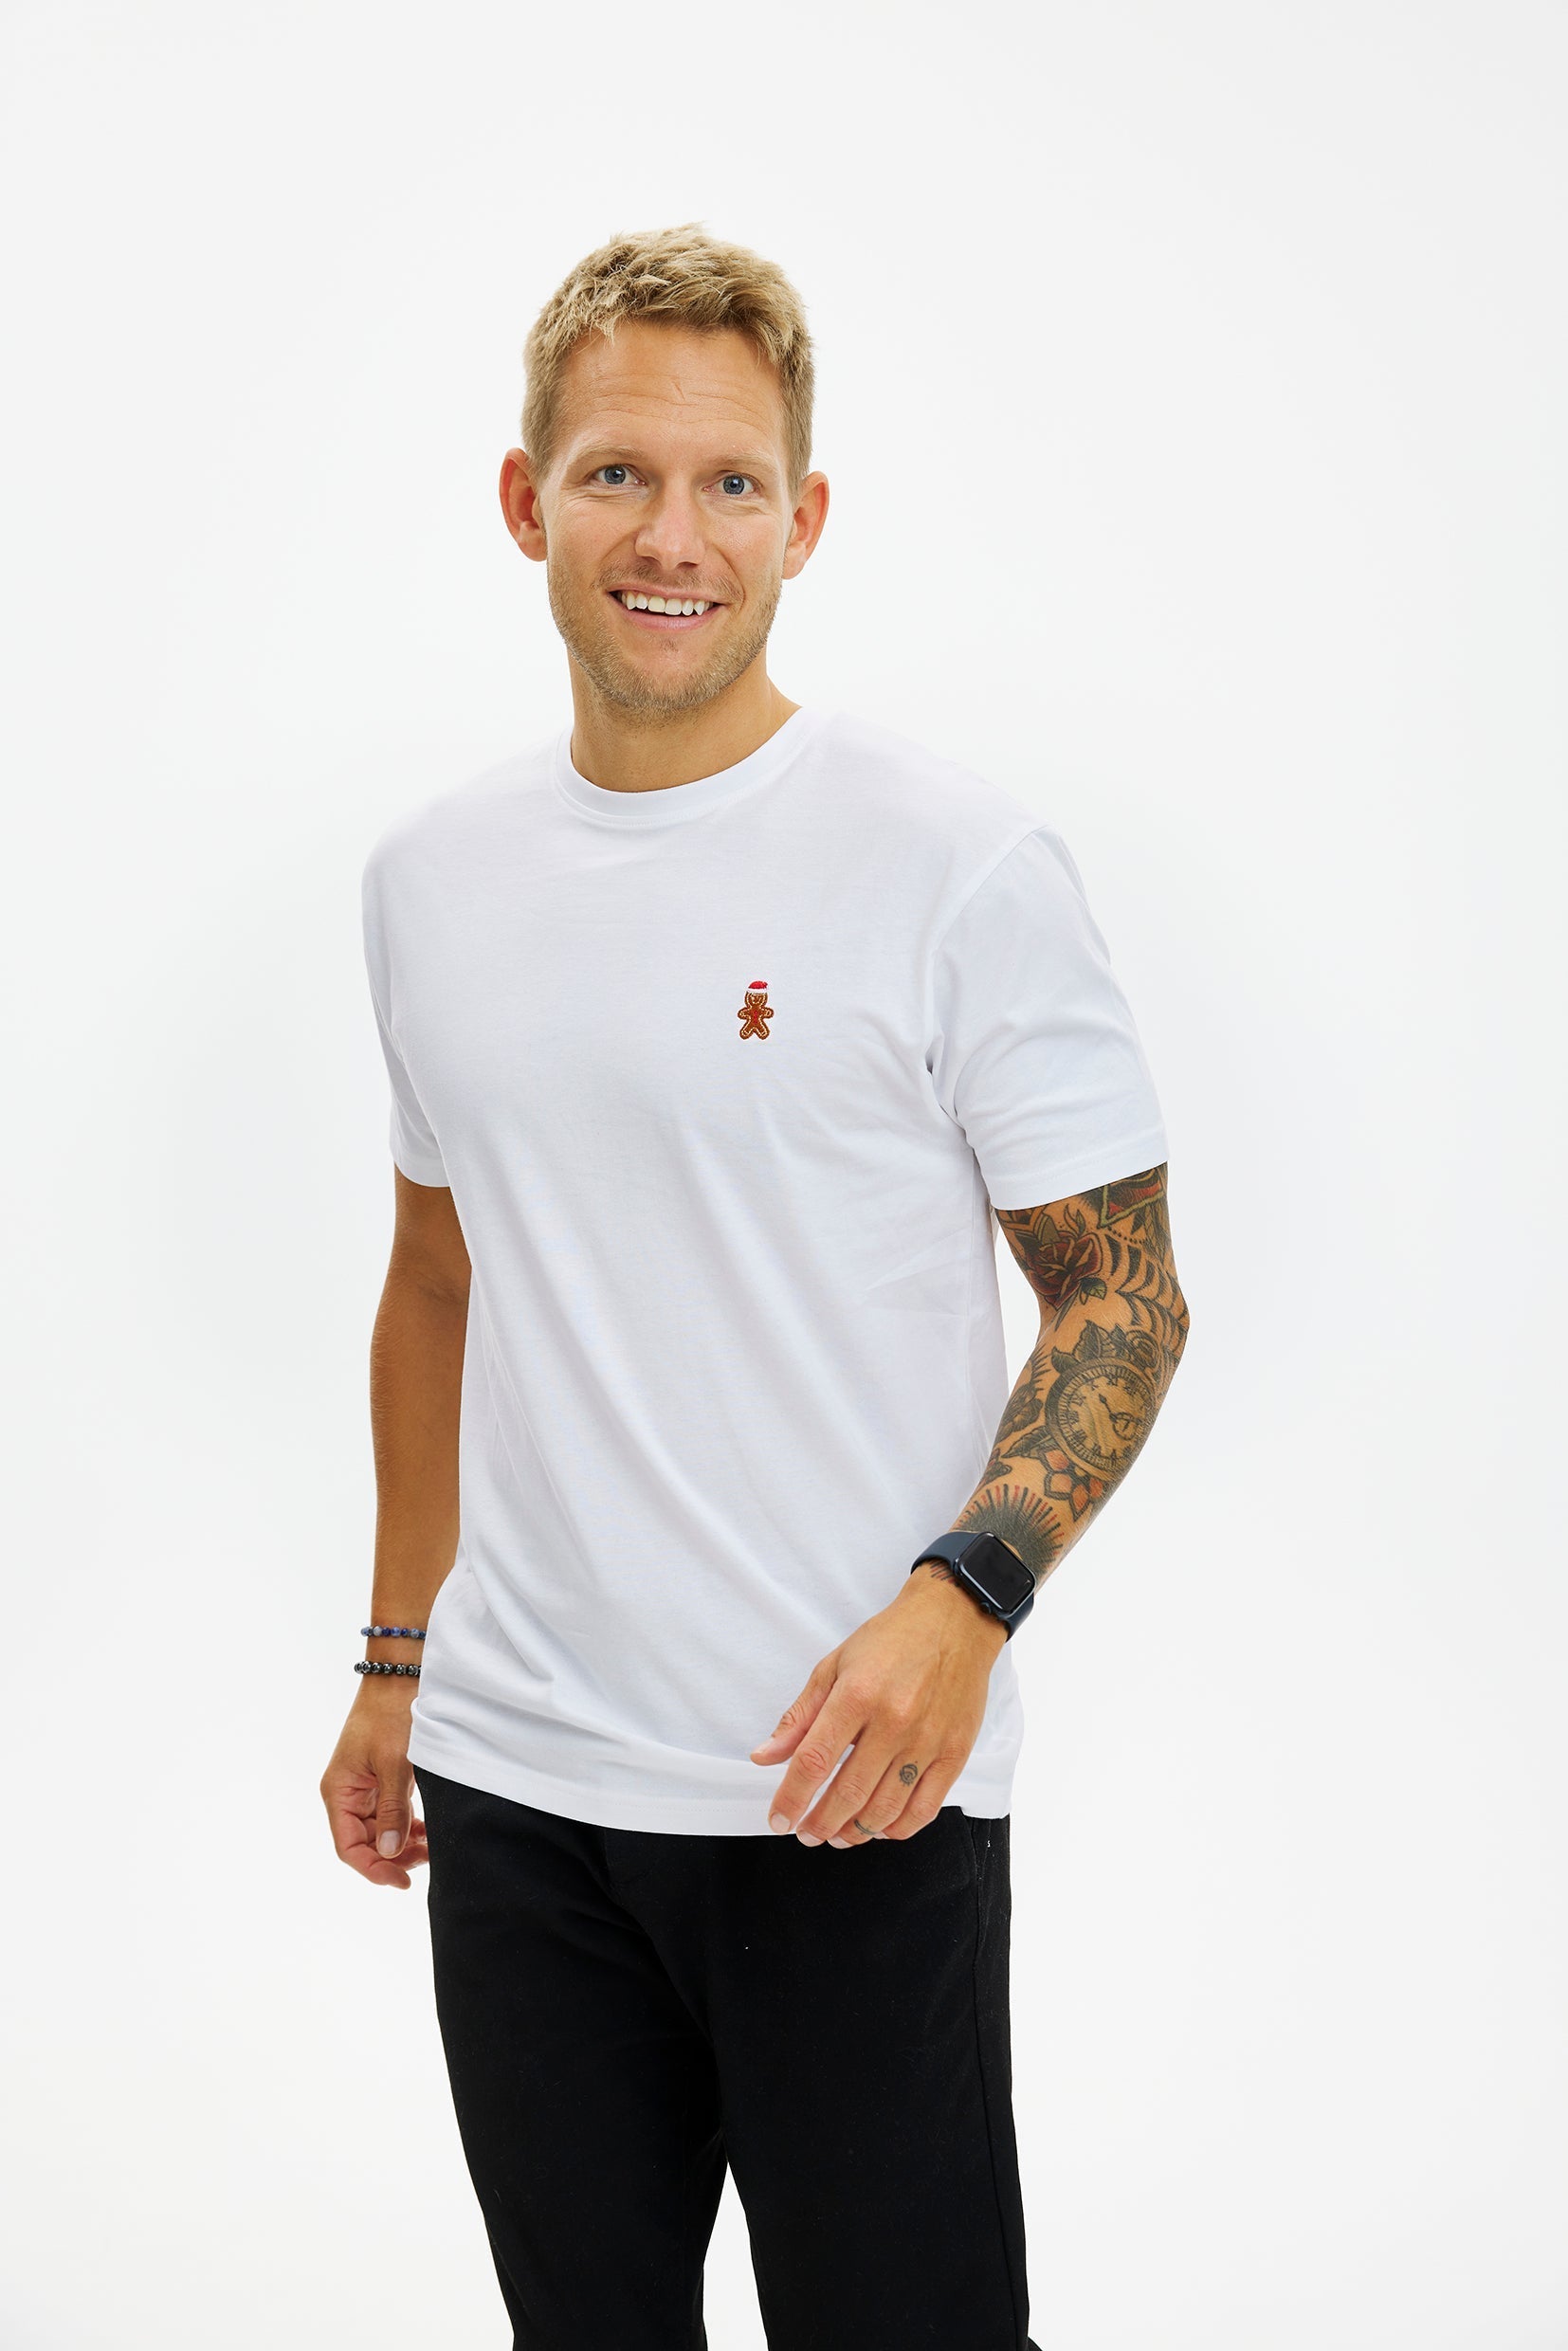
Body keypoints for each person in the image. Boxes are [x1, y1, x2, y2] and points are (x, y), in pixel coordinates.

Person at [319, 221, 1191, 2351]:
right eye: (615, 473)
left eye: (729, 484)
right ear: (526, 500)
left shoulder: (953, 866)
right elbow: (435, 1278)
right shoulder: (430, 880)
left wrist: (961, 1601)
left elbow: (1123, 1299)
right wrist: (397, 1660)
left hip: (844, 1793)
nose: (670, 536)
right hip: (520, 1792)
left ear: (801, 521)